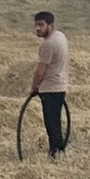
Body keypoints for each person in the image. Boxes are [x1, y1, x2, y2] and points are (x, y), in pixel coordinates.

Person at [28, 11, 68, 159]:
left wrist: (34, 88)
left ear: (50, 26)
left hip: (50, 88)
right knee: (55, 120)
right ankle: (58, 150)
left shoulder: (48, 44)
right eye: (36, 25)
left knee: (51, 123)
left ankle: (56, 153)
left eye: (41, 25)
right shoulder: (61, 36)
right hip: (61, 85)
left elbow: (39, 72)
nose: (37, 28)